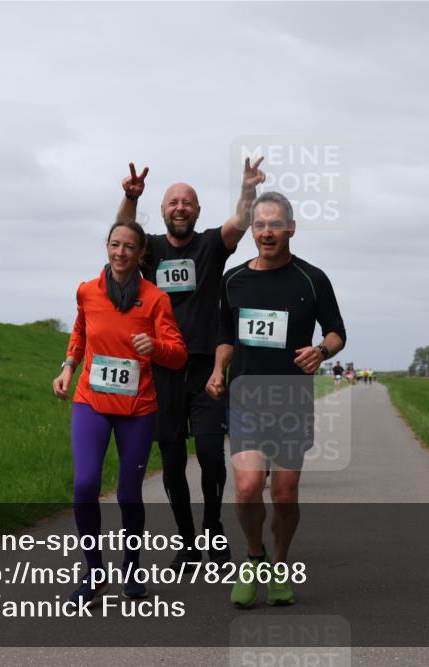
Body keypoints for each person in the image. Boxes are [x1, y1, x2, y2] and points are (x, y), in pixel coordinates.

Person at [116, 158, 266, 569]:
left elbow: (239, 219)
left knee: (212, 456)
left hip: (205, 369)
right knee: (172, 460)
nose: (179, 207)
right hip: (161, 371)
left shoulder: (211, 245)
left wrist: (249, 189)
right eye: (172, 202)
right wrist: (130, 198)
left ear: (197, 212)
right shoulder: (150, 251)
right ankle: (186, 541)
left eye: (187, 202)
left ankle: (213, 530)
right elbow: (123, 235)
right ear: (162, 211)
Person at [207, 191, 346, 607]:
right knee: (248, 486)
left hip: (290, 399)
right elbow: (226, 337)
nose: (266, 232)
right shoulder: (233, 279)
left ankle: (280, 563)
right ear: (252, 229)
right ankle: (254, 555)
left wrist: (321, 351)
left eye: (274, 225)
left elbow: (337, 331)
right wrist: (217, 371)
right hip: (246, 397)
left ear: (291, 229)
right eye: (259, 225)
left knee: (284, 494)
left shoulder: (312, 279)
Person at [53, 220, 187, 603]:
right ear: (106, 246)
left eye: (130, 247)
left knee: (129, 493)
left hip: (138, 409)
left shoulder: (156, 299)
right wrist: (67, 368)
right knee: (85, 484)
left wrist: (155, 347)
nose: (121, 253)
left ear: (141, 253)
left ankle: (131, 568)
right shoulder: (87, 291)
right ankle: (95, 573)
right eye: (115, 244)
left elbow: (177, 355)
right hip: (91, 403)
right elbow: (80, 332)